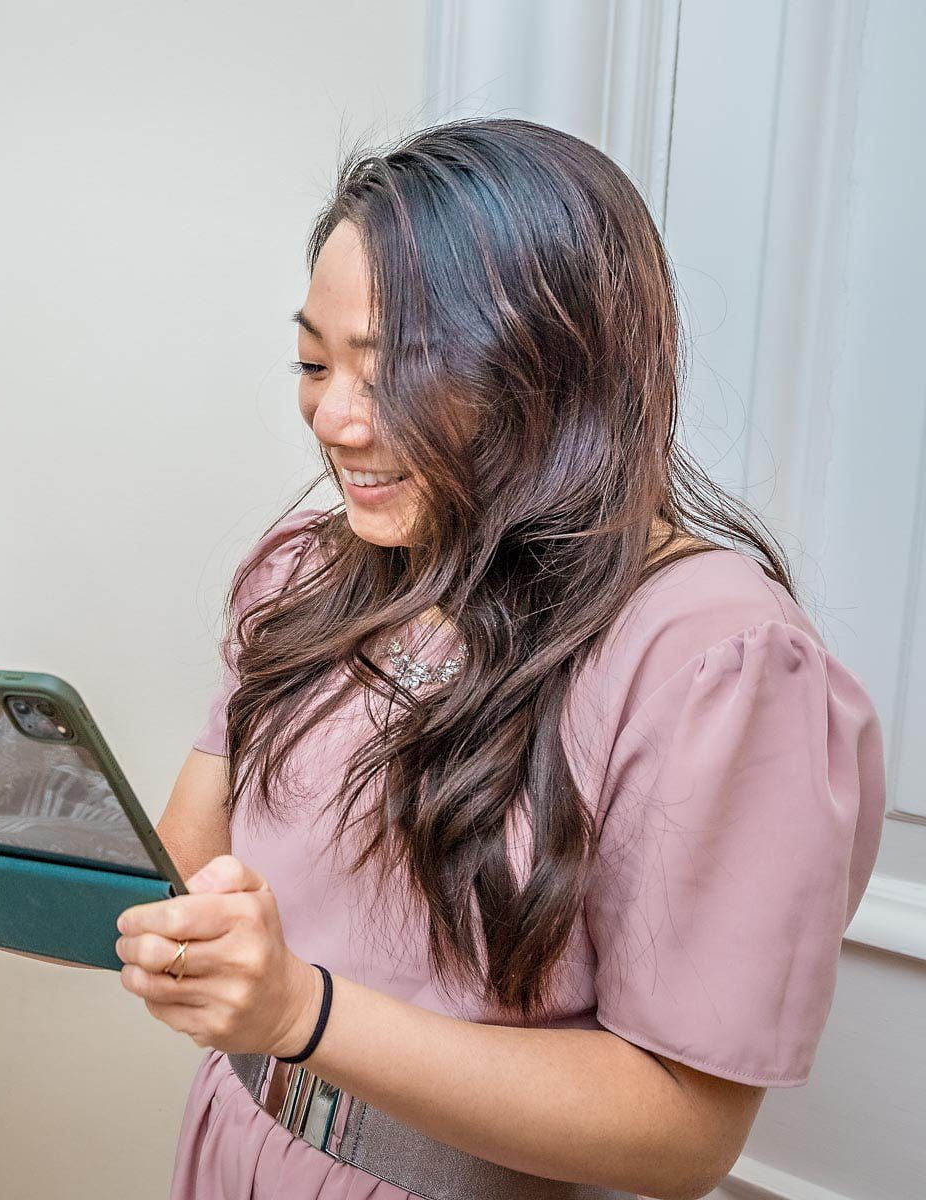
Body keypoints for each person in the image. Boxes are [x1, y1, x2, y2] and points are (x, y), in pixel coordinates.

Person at [113, 119, 885, 1200]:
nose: (333, 418)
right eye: (311, 361)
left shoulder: (719, 658)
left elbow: (681, 1133)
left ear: (556, 366)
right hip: (236, 1144)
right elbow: (184, 863)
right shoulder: (305, 575)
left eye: (399, 371)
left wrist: (301, 1012)